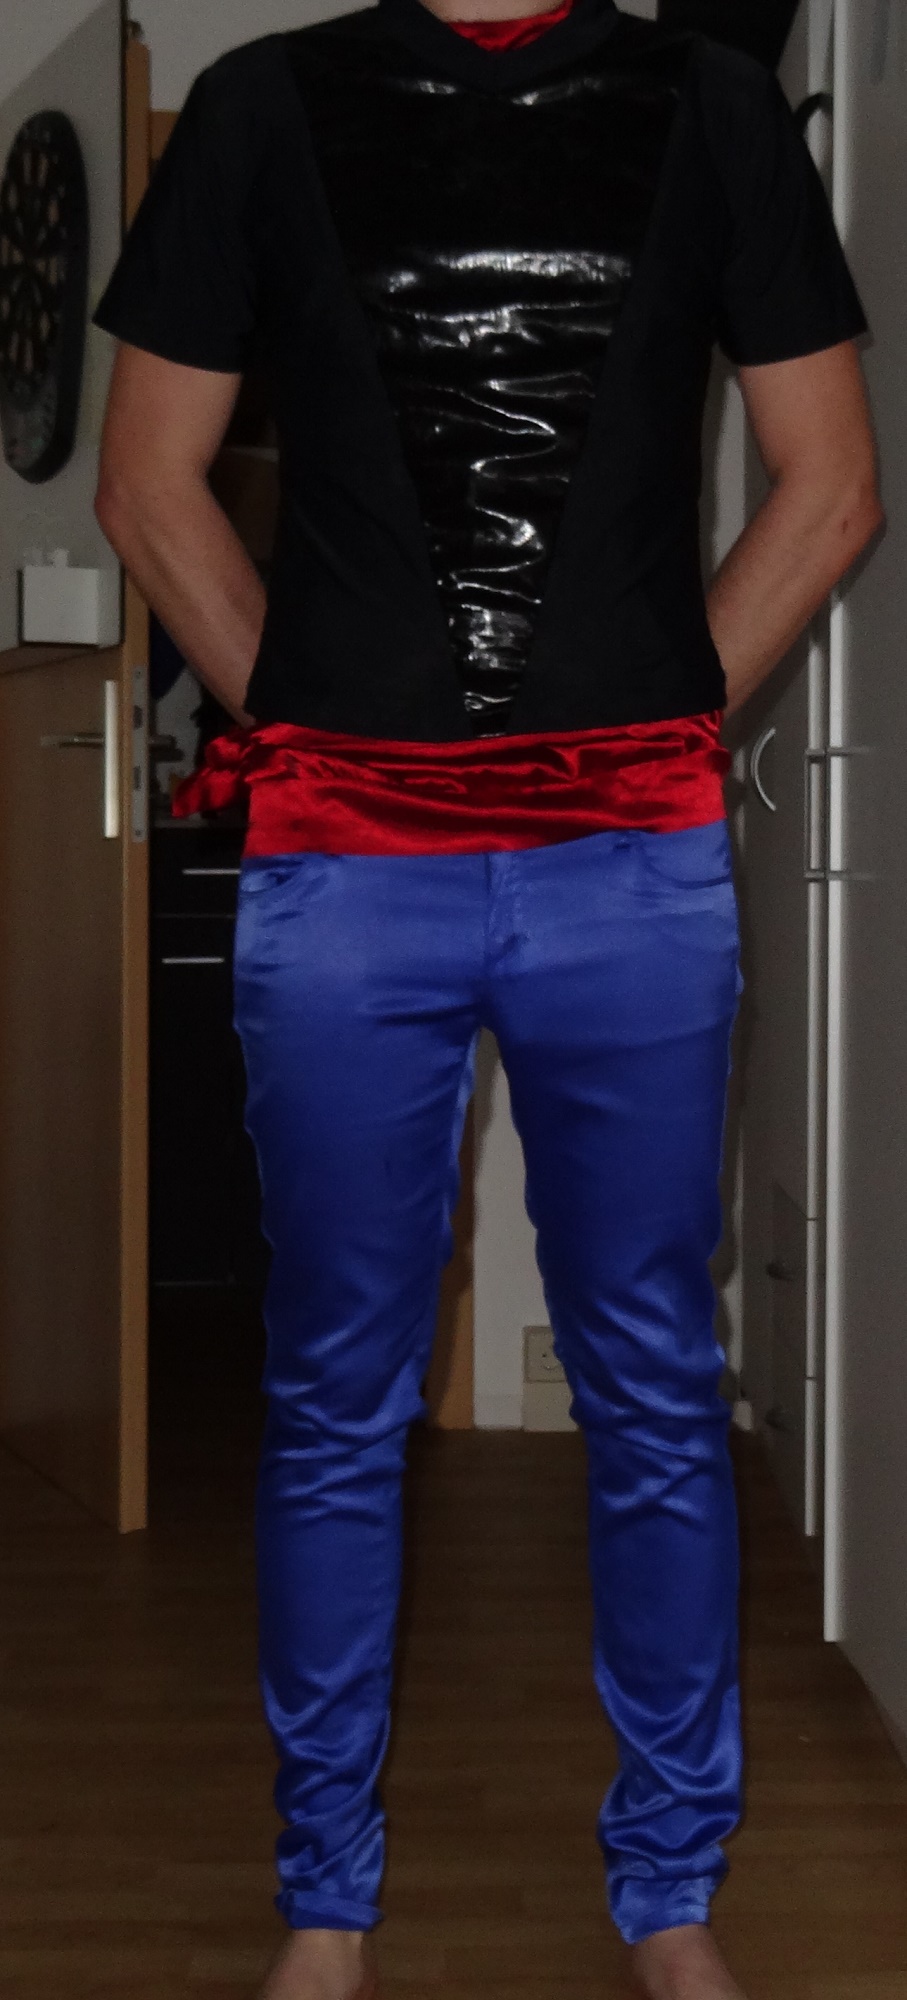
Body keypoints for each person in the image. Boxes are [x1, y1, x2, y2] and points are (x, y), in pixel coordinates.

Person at [91, 0, 881, 1994]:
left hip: (630, 864)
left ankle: (673, 1897)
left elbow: (830, 487)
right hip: (347, 863)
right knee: (331, 1392)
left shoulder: (715, 110)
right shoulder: (259, 109)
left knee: (653, 1384)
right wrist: (320, 728)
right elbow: (148, 483)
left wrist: (652, 731)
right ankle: (326, 1903)